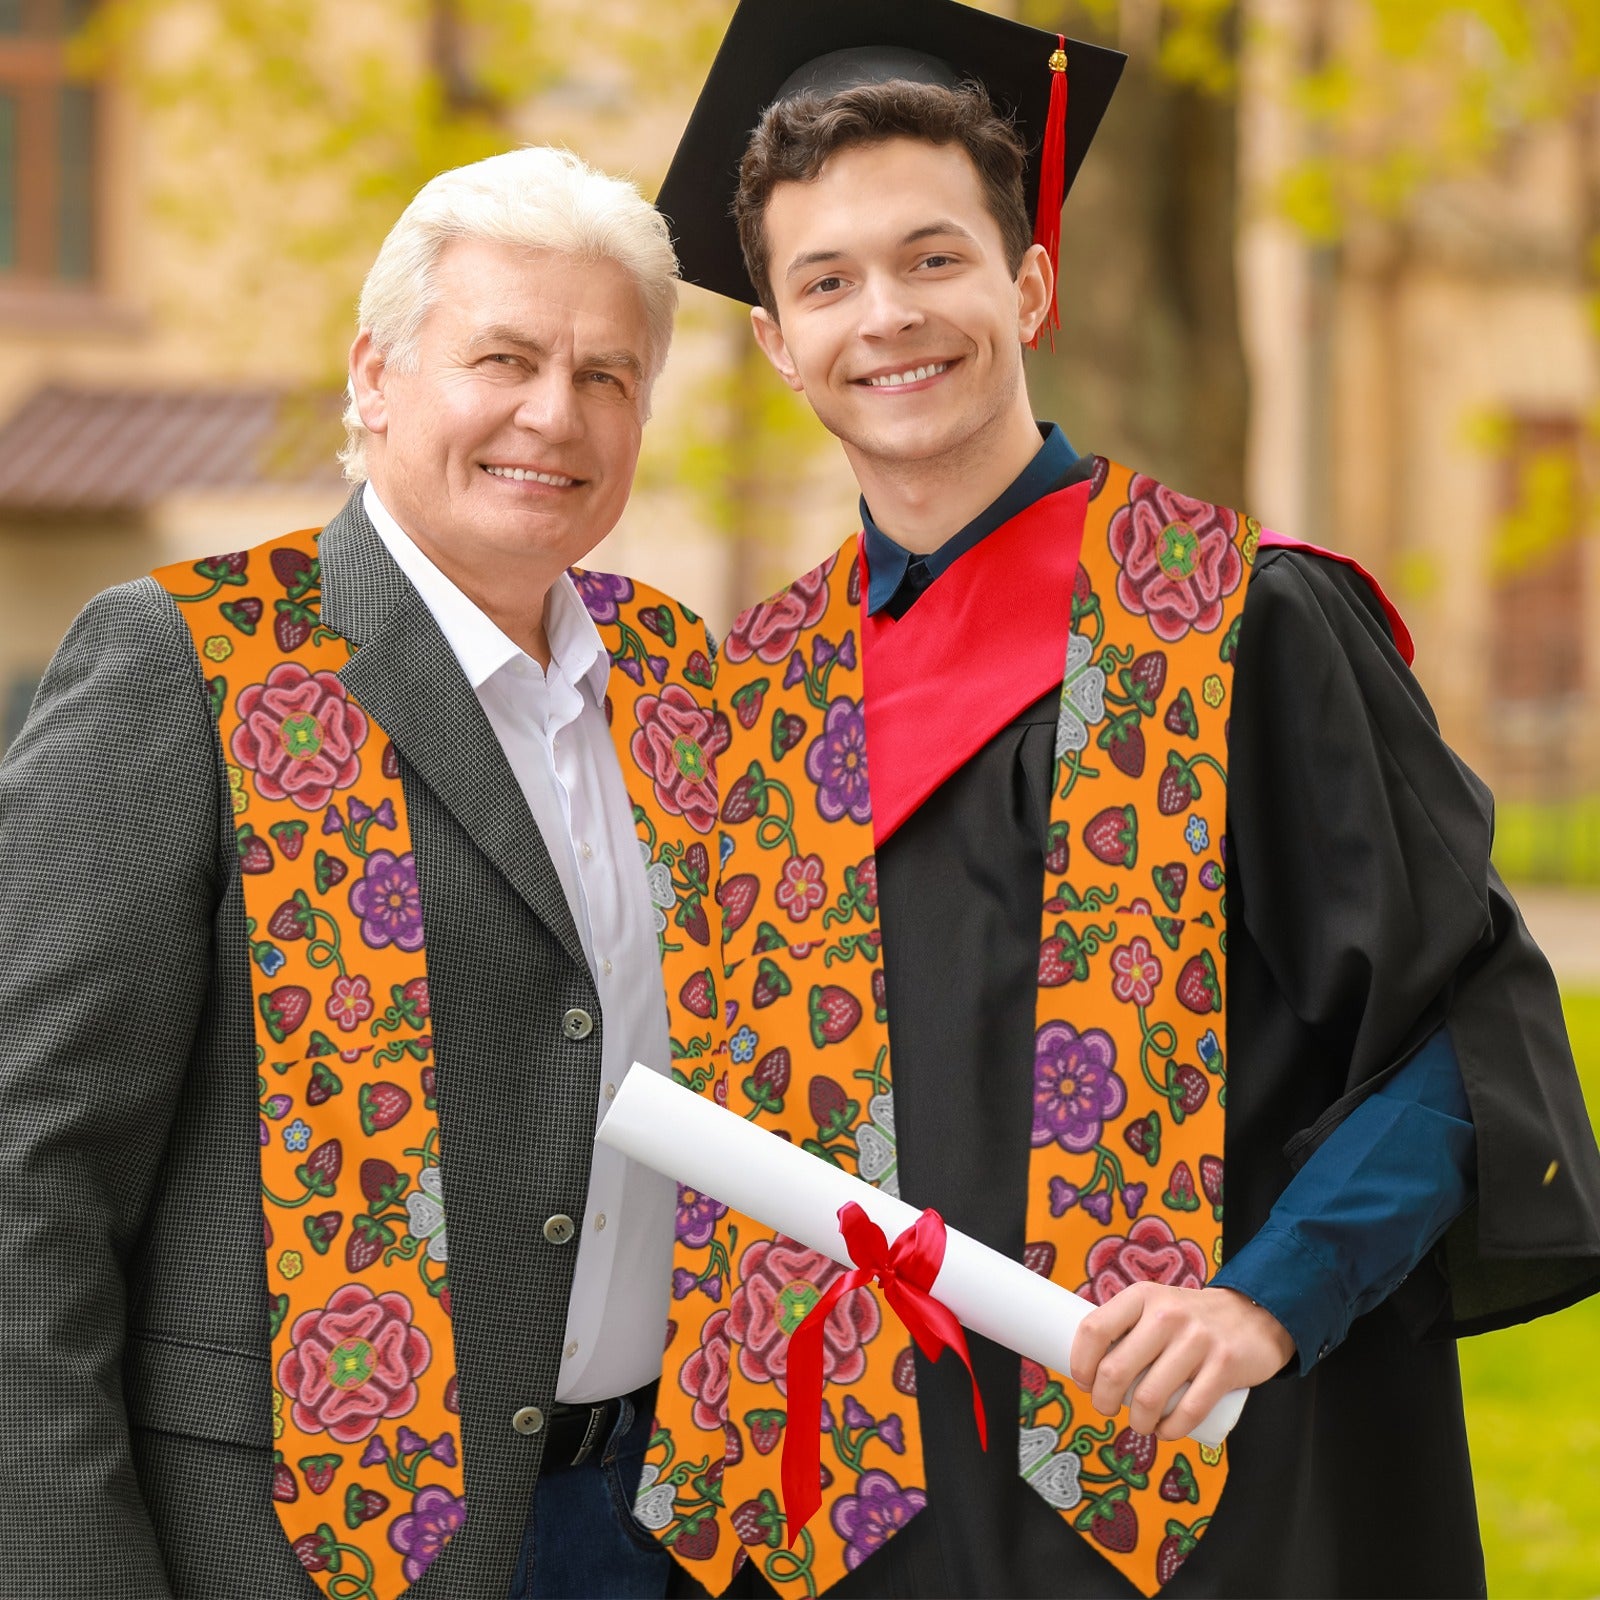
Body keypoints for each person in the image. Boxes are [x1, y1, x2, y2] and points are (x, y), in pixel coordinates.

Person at [636, 4, 1600, 1597]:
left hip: (1201, 1490)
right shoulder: (756, 701)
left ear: (1028, 283)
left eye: (933, 258)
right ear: (778, 341)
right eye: (827, 282)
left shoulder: (1241, 624)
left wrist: (1269, 1299)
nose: (887, 316)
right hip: (865, 1524)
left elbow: (1462, 1032)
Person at [0, 146, 727, 1600]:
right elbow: (31, 1174)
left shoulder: (680, 686)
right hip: (290, 1547)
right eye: (504, 357)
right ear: (377, 376)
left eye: (606, 375)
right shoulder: (190, 662)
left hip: (652, 1529)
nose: (553, 413)